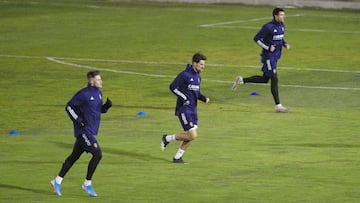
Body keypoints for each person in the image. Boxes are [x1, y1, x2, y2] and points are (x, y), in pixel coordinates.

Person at [51, 70, 112, 197]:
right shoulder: (83, 94)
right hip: (84, 132)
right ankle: (87, 183)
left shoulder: (98, 93)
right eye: (99, 79)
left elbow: (96, 110)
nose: (101, 81)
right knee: (97, 154)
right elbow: (69, 107)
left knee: (73, 157)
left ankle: (57, 181)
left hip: (91, 131)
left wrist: (105, 107)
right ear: (91, 81)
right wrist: (79, 121)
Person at [232, 7, 290, 113]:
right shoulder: (268, 27)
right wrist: (267, 47)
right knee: (274, 78)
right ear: (275, 16)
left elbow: (280, 38)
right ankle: (278, 105)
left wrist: (284, 43)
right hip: (268, 57)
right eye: (281, 15)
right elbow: (257, 38)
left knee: (264, 79)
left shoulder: (282, 26)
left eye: (283, 15)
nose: (283, 17)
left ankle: (242, 80)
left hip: (275, 57)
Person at [161, 52, 210, 163]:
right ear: (194, 63)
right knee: (192, 135)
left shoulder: (198, 77)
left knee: (190, 136)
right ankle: (167, 138)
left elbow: (196, 93)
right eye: (201, 64)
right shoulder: (184, 75)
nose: (203, 66)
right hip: (184, 109)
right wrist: (184, 98)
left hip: (193, 110)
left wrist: (203, 98)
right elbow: (173, 87)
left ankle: (177, 157)